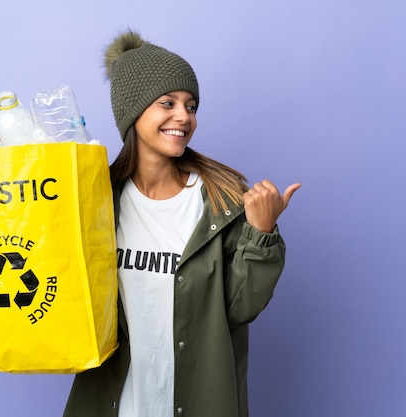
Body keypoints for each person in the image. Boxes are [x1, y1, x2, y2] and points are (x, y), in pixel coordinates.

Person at [64, 29, 300, 417]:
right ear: (133, 112)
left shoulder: (220, 201)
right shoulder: (97, 199)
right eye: (167, 103)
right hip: (113, 403)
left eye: (191, 106)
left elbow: (240, 309)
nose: (183, 117)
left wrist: (261, 234)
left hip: (197, 401)